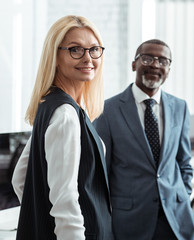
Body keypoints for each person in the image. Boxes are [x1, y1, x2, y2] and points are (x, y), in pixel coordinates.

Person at [11, 15, 113, 240]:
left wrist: (40, 218)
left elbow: (20, 178)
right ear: (55, 56)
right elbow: (65, 199)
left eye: (94, 49)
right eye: (75, 49)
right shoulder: (66, 114)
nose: (88, 58)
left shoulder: (52, 104)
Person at [93, 39, 194, 240]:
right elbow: (100, 174)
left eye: (163, 61)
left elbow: (184, 162)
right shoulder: (107, 111)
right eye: (148, 58)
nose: (155, 65)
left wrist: (181, 196)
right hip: (129, 222)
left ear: (169, 69)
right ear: (134, 64)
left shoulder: (180, 107)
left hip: (174, 219)